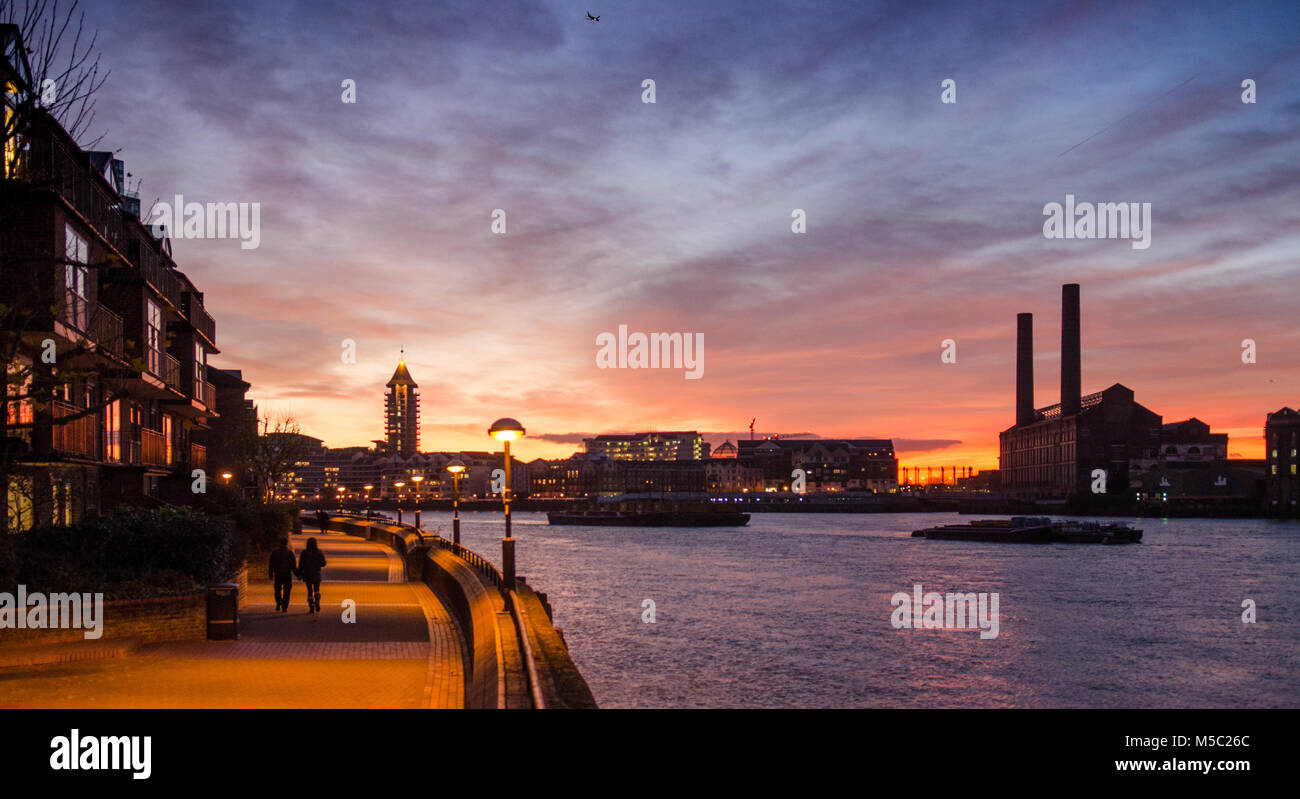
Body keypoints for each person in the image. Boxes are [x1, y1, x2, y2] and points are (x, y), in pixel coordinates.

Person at [297, 537, 327, 614]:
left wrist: (299, 574)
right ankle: (317, 600)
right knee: (317, 589)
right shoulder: (319, 552)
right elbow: (323, 563)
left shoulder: (304, 553)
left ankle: (311, 606)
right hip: (316, 573)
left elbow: (301, 564)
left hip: (307, 574)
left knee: (309, 590)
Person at [268, 537, 296, 612]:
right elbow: (293, 565)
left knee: (277, 589)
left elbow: (271, 564)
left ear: (279, 543)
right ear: (286, 543)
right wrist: (297, 574)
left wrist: (270, 574)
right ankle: (284, 606)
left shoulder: (275, 552)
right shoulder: (290, 553)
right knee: (287, 590)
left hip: (278, 574)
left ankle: (278, 601)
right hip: (287, 574)